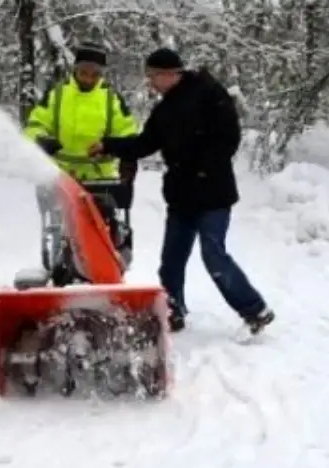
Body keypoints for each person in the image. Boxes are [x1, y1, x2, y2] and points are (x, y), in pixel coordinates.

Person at [89, 48, 274, 334]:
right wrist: (108, 145)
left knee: (214, 255)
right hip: (181, 196)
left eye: (152, 76)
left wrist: (204, 169)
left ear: (168, 74)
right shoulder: (164, 110)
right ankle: (172, 311)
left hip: (213, 193)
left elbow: (229, 138)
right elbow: (144, 143)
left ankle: (255, 309)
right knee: (171, 260)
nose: (150, 83)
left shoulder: (209, 94)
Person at [24, 43, 139, 262]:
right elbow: (35, 124)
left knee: (103, 221)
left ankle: (108, 261)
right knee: (64, 225)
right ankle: (62, 262)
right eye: (84, 72)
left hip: (100, 177)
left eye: (94, 74)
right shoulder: (57, 95)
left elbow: (127, 132)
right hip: (62, 175)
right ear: (75, 70)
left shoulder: (110, 99)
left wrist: (124, 153)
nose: (88, 78)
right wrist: (42, 140)